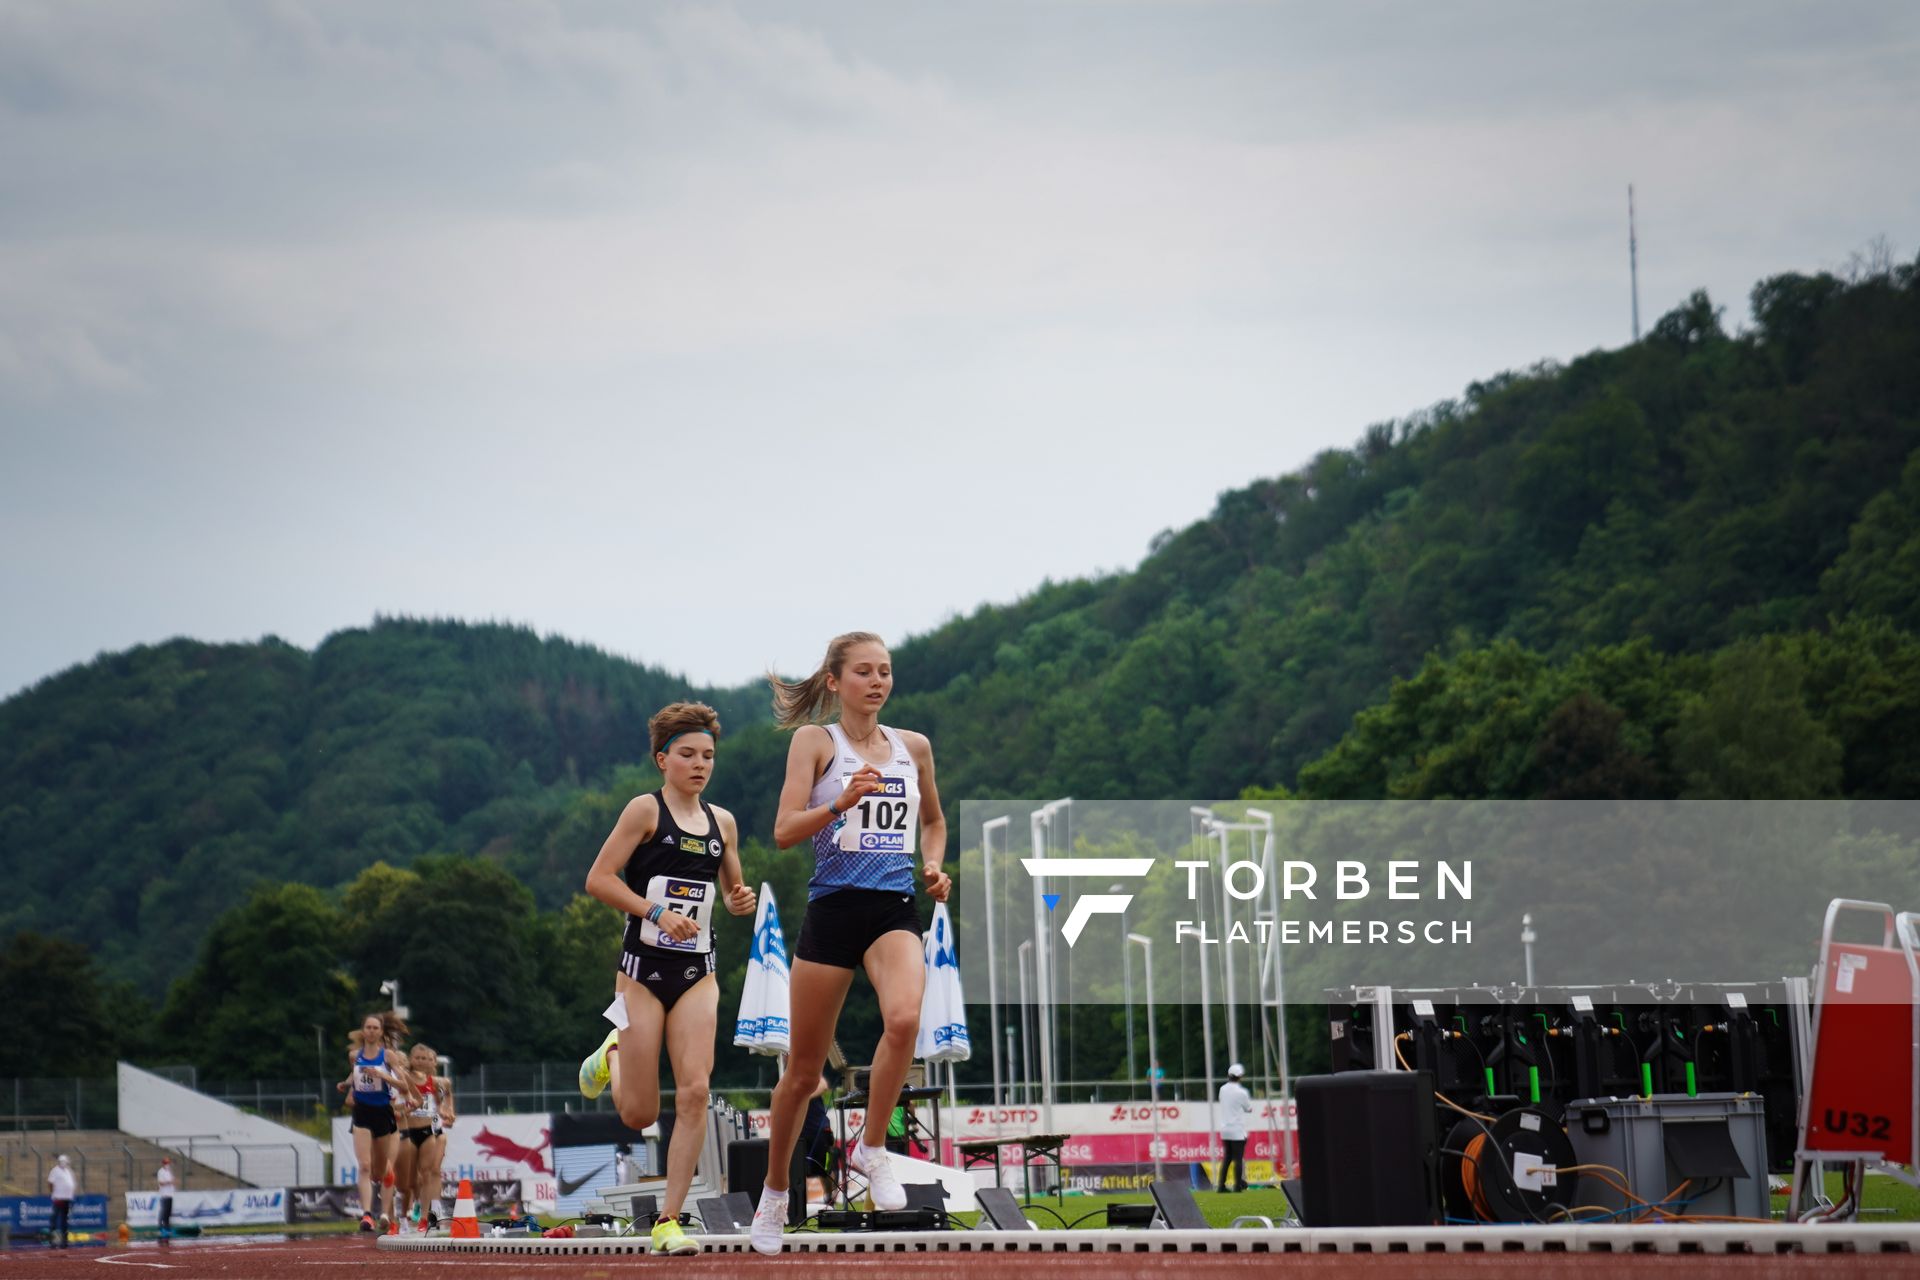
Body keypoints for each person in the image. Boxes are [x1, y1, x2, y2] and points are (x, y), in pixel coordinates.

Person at [749, 632, 949, 1255]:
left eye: (885, 671)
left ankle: (871, 1147)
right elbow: (783, 831)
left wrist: (935, 866)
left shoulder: (913, 748)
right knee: (804, 1072)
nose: (878, 681)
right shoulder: (817, 742)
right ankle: (776, 1192)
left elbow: (933, 821)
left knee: (906, 1018)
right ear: (835, 682)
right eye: (864, 671)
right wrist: (840, 802)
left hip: (893, 908)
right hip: (833, 909)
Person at [574, 701, 756, 1258]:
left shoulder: (722, 822)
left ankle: (669, 1220)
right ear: (662, 759)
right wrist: (653, 914)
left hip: (698, 972)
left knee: (697, 1091)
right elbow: (598, 880)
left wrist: (739, 899)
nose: (700, 765)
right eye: (687, 755)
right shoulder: (644, 812)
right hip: (641, 976)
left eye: (708, 756)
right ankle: (615, 1055)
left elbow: (731, 890)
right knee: (641, 1114)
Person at [338, 1010, 417, 1233]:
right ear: (363, 1031)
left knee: (384, 1171)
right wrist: (345, 1084)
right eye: (368, 1027)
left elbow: (403, 1085)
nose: (371, 1031)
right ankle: (366, 1215)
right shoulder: (355, 1055)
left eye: (375, 1028)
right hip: (362, 1113)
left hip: (383, 1113)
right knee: (364, 1166)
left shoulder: (388, 1056)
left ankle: (384, 1213)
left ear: (381, 1032)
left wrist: (382, 1075)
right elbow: (355, 1074)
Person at [397, 1042, 451, 1232]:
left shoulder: (437, 1082)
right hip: (408, 1132)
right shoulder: (404, 1078)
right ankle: (415, 1206)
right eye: (418, 1058)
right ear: (411, 1059)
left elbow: (442, 1103)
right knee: (412, 1180)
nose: (421, 1062)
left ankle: (429, 1216)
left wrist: (445, 1112)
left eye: (426, 1058)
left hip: (431, 1130)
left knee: (429, 1172)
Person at [1217, 1062, 1254, 1193]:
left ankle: (1221, 1185)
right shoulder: (1242, 1092)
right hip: (1237, 1129)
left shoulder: (1222, 1089)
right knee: (1238, 1158)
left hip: (1225, 1128)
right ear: (1240, 1077)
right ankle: (1237, 1185)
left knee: (1227, 1157)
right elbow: (1248, 1108)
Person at [47, 1154, 75, 1248]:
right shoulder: (55, 1171)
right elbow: (50, 1182)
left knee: (64, 1221)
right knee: (54, 1220)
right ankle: (53, 1241)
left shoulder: (67, 1171)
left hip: (66, 1199)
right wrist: (54, 1194)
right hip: (58, 1198)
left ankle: (64, 1241)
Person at [156, 1156, 175, 1238]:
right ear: (163, 1164)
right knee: (163, 1212)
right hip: (164, 1195)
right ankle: (161, 1228)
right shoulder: (161, 1172)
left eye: (168, 1163)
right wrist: (169, 1182)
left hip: (170, 1194)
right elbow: (161, 1183)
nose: (168, 1165)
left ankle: (167, 1227)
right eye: (166, 1163)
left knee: (168, 1213)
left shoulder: (169, 1171)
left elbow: (172, 1181)